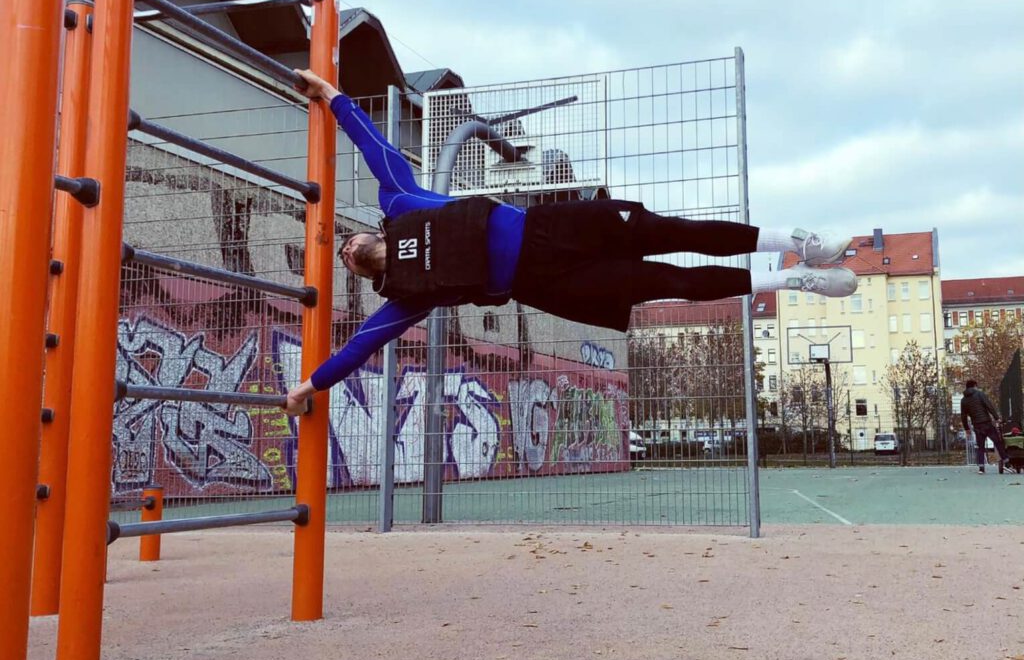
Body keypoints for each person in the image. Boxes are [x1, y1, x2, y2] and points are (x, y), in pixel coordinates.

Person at [284, 69, 859, 414]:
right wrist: (308, 386)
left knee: (671, 230)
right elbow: (359, 350)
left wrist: (329, 91)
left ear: (362, 231)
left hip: (551, 227)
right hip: (547, 283)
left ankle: (797, 241)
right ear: (362, 271)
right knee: (668, 282)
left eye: (340, 242)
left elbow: (369, 141)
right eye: (340, 261)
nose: (344, 251)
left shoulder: (398, 203)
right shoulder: (404, 296)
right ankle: (791, 279)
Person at [960, 379, 1010, 474]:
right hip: (987, 423)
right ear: (974, 385)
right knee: (997, 442)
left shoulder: (963, 400)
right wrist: (996, 418)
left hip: (977, 426)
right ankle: (1006, 461)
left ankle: (981, 468)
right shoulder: (979, 394)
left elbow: (963, 416)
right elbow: (989, 406)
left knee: (981, 447)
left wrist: (966, 428)